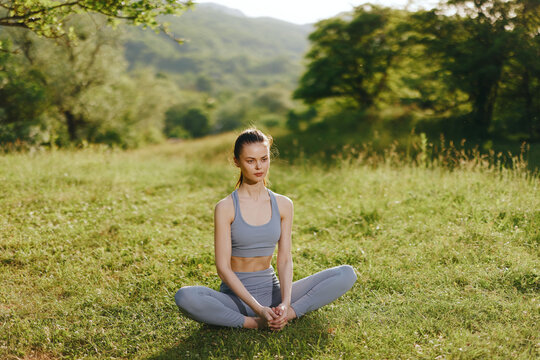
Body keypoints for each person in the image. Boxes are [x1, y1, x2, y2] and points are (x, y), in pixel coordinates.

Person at [174, 128, 357, 330]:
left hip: (273, 292)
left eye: (264, 159)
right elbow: (223, 269)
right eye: (250, 161)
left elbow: (285, 258)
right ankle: (254, 323)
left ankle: (288, 315)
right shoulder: (225, 207)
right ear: (237, 161)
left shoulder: (284, 204)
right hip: (237, 298)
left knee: (346, 274)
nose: (259, 166)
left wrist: (286, 304)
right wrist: (259, 310)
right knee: (185, 296)